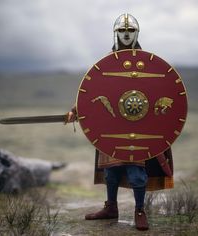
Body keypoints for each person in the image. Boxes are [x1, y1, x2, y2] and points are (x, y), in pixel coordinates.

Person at [67, 13, 174, 231]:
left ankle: (140, 210)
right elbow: (93, 91)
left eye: (131, 31)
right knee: (111, 170)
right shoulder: (106, 62)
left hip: (139, 125)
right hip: (112, 124)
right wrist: (75, 110)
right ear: (115, 33)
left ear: (137, 33)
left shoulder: (148, 63)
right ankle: (111, 207)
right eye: (122, 31)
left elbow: (160, 90)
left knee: (136, 172)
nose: (126, 35)